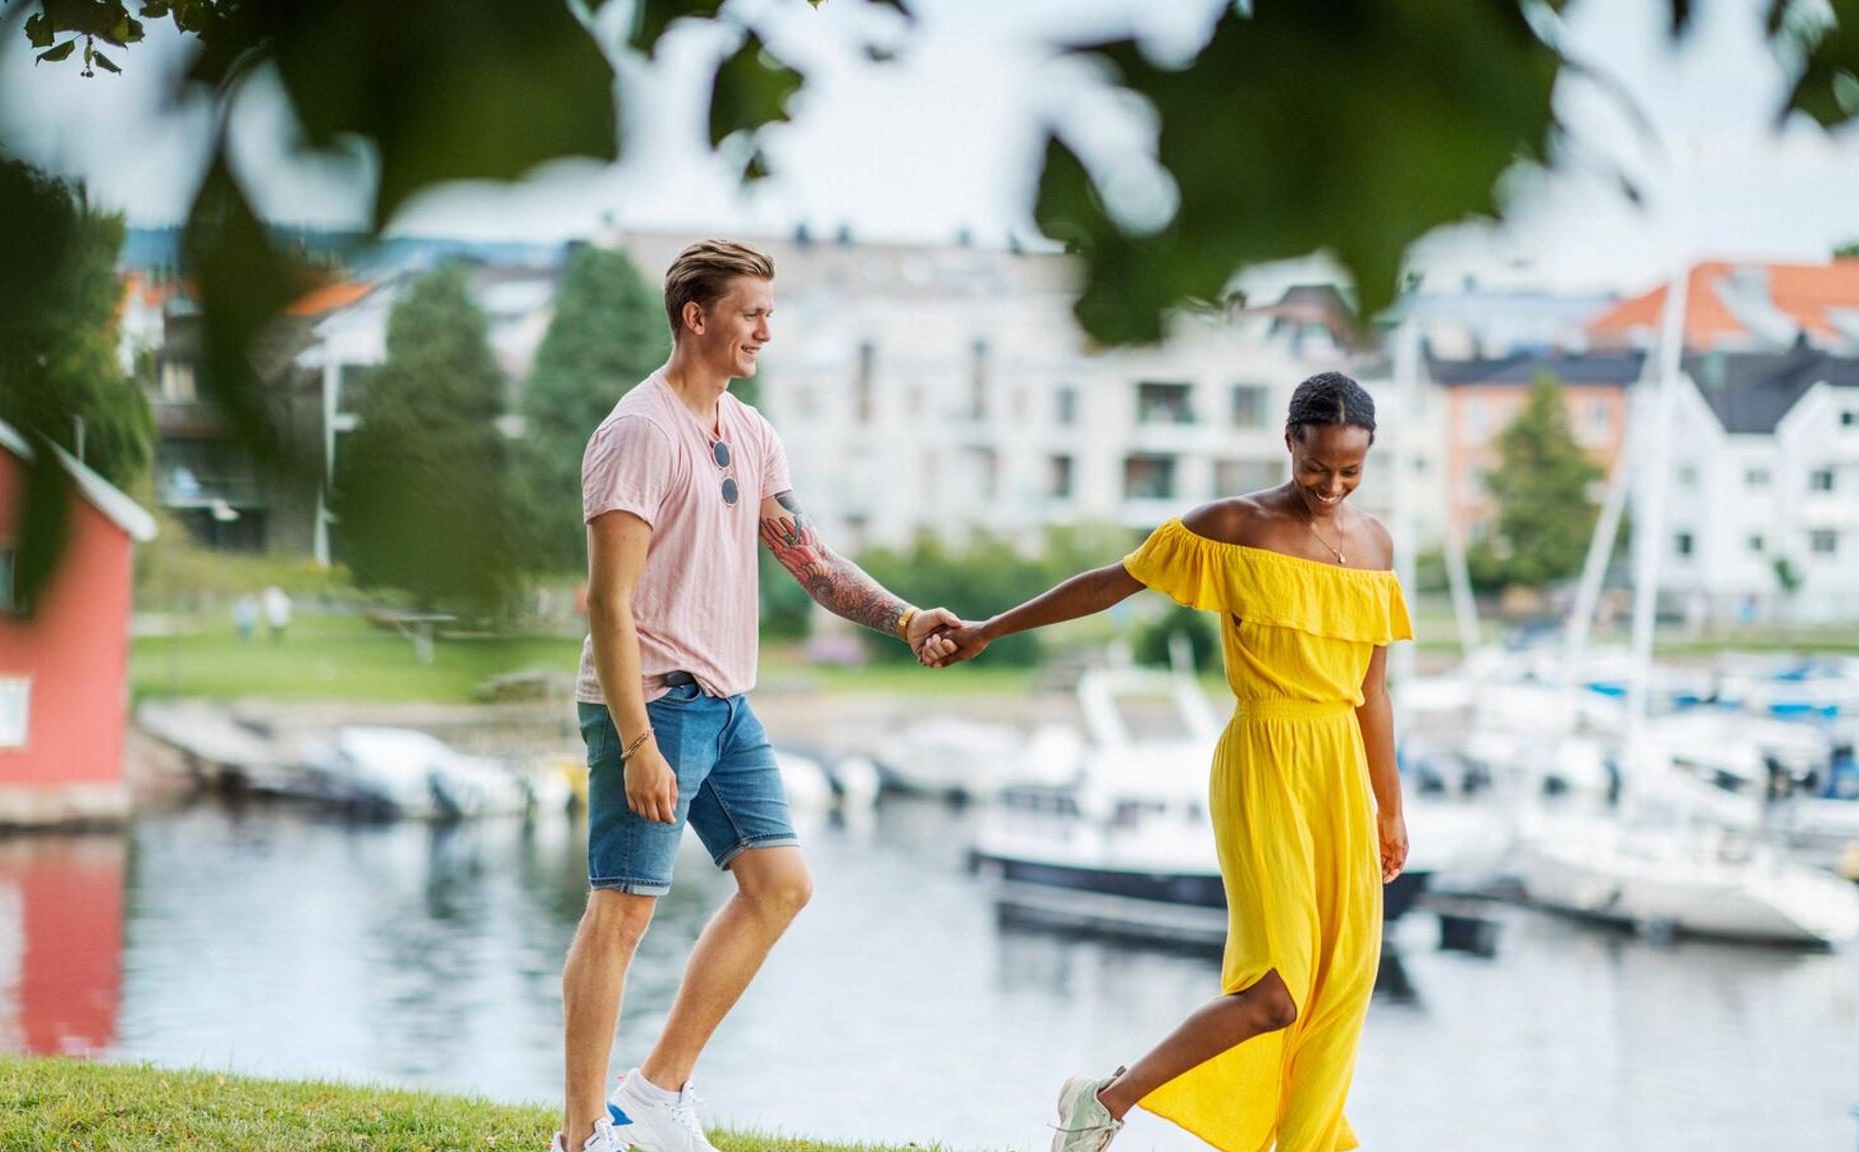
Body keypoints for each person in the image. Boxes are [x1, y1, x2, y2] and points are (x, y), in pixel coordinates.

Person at [936, 371, 1412, 1152]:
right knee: (1277, 991)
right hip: (1265, 755)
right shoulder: (1234, 524)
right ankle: (1106, 1100)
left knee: (1342, 981)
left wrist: (1389, 808)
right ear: (1289, 441)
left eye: (1350, 471)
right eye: (1316, 466)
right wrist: (991, 628)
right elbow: (1107, 586)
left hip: (1340, 771)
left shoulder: (1376, 544)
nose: (1331, 486)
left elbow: (1374, 691)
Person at [558, 240, 959, 1152]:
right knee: (620, 914)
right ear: (697, 317)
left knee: (779, 887)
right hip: (654, 700)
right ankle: (580, 1137)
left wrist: (903, 620)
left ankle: (656, 1094)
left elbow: (808, 560)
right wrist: (635, 742)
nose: (766, 332)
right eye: (752, 313)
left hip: (729, 701)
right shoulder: (637, 433)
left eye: (769, 314)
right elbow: (609, 605)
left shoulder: (749, 430)